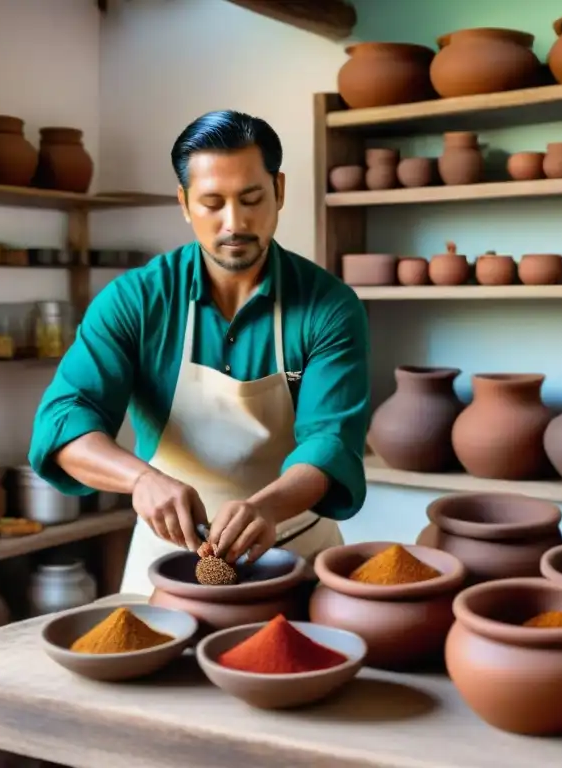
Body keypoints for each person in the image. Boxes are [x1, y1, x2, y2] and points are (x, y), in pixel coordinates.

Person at [27, 109, 370, 596]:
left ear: (280, 191)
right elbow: (63, 420)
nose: (235, 223)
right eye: (212, 203)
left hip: (295, 552)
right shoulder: (137, 301)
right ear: (185, 204)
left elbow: (331, 441)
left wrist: (267, 507)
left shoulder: (328, 308)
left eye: (252, 199)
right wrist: (141, 480)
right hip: (167, 561)